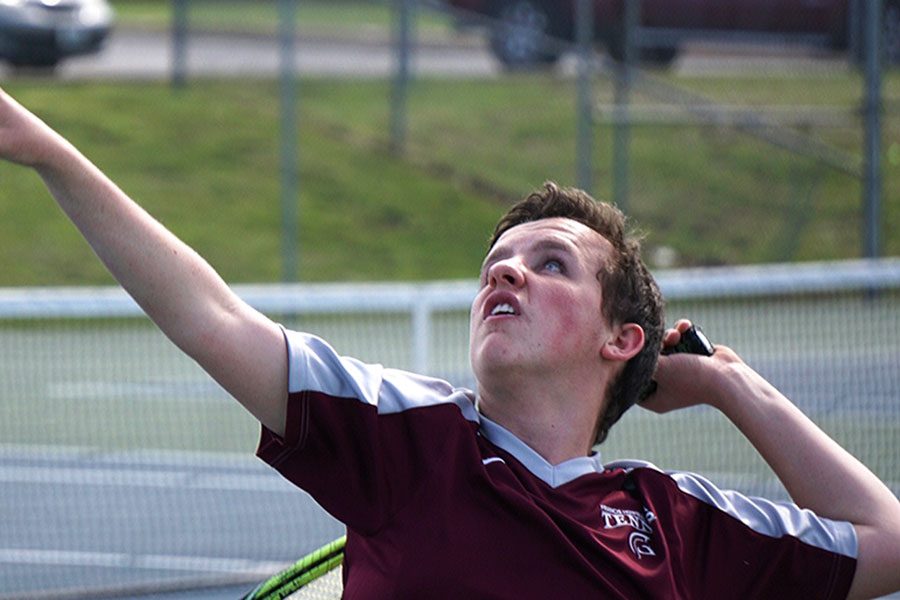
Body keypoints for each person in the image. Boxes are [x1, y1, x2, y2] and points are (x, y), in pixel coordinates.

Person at [1, 87, 898, 598]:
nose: (504, 275)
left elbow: (885, 540)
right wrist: (45, 150)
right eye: (496, 263)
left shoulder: (679, 524)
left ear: (624, 339)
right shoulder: (407, 443)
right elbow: (211, 317)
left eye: (550, 264)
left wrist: (732, 386)